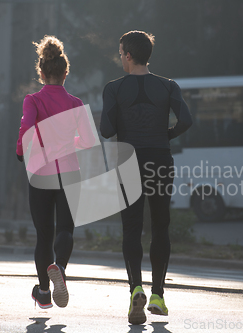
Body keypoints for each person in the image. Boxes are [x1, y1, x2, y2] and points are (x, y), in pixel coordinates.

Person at [100, 30, 192, 325]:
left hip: (128, 160)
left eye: (120, 54)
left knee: (132, 227)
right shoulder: (168, 86)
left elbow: (106, 130)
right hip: (160, 159)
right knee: (161, 225)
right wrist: (166, 134)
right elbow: (187, 120)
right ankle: (158, 296)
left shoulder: (113, 88)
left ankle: (135, 288)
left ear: (127, 54)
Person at [16, 35, 95, 309]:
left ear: (41, 73)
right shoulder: (75, 103)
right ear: (65, 72)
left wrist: (20, 150)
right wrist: (67, 144)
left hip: (41, 171)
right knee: (66, 229)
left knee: (43, 234)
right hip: (70, 172)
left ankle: (44, 292)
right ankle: (60, 267)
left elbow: (26, 129)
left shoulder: (33, 100)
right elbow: (87, 141)